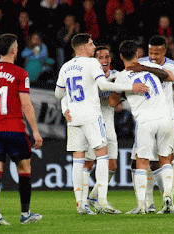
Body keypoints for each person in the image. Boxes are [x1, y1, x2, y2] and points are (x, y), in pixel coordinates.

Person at [54, 33, 148, 215]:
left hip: (73, 117)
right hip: (91, 115)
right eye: (90, 44)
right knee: (102, 156)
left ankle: (80, 204)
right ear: (81, 48)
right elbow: (103, 86)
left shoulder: (65, 67)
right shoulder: (91, 63)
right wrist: (131, 87)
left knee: (78, 159)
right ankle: (102, 201)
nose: (93, 46)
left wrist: (66, 106)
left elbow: (59, 94)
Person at [0, 33, 43, 226]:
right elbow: (26, 104)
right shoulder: (20, 73)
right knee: (24, 169)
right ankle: (25, 213)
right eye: (17, 45)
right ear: (13, 49)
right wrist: (35, 131)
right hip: (15, 129)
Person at [109, 40, 174, 214]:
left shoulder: (122, 76)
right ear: (138, 54)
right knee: (164, 159)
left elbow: (112, 102)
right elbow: (171, 77)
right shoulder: (148, 65)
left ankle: (141, 205)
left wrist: (122, 90)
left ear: (121, 56)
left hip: (146, 121)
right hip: (165, 117)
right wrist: (146, 69)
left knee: (141, 161)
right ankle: (168, 199)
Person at [61, 45, 122, 214]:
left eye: (107, 56)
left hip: (107, 123)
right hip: (90, 120)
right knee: (88, 162)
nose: (104, 59)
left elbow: (114, 103)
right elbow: (65, 93)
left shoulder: (117, 76)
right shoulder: (88, 73)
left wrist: (119, 94)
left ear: (110, 59)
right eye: (100, 56)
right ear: (95, 60)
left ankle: (93, 198)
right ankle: (85, 202)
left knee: (112, 165)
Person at [127, 35, 174, 214]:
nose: (153, 57)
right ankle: (148, 203)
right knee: (141, 161)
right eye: (151, 52)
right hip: (147, 119)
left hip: (167, 118)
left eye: (157, 54)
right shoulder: (141, 63)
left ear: (164, 51)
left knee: (164, 160)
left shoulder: (173, 66)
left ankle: (168, 201)